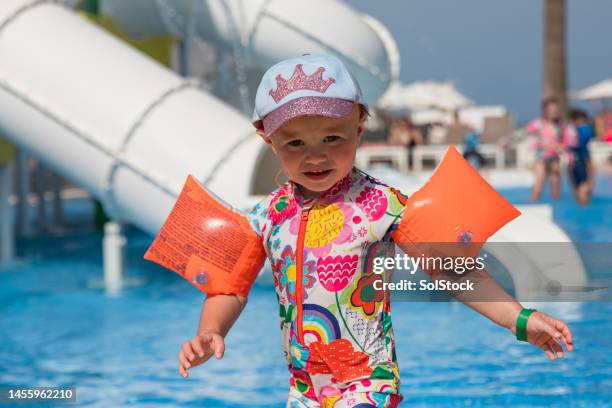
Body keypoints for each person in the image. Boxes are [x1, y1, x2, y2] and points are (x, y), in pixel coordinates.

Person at [176, 54, 574, 407]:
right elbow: (229, 287)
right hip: (304, 391)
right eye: (295, 143)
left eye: (332, 137)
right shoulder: (269, 215)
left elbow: (454, 269)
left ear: (360, 126)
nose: (315, 155)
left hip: (369, 384)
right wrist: (210, 331)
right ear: (268, 138)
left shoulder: (382, 205)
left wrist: (518, 319)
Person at [526, 97, 573, 201]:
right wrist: (548, 147)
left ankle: (555, 211)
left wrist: (563, 148)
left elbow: (566, 142)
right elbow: (530, 141)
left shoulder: (561, 126)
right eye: (551, 110)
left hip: (555, 159)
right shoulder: (537, 124)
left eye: (556, 110)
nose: (554, 112)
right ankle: (531, 207)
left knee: (556, 190)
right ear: (545, 111)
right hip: (541, 158)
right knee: (538, 185)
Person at [568, 109, 595, 205]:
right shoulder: (586, 130)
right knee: (583, 189)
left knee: (577, 191)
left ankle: (581, 204)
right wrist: (591, 182)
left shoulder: (570, 130)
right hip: (581, 161)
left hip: (573, 161)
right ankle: (584, 206)